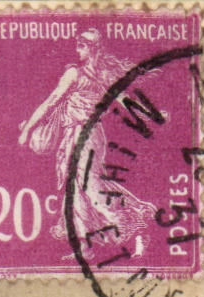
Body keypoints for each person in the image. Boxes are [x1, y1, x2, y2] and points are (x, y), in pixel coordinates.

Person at [17, 28, 156, 255]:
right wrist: (150, 115)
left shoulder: (79, 74)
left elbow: (50, 102)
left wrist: (27, 130)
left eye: (81, 46)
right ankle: (82, 245)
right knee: (73, 189)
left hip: (87, 135)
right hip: (77, 135)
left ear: (92, 49)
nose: (76, 50)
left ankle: (130, 221)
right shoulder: (97, 75)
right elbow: (127, 103)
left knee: (89, 186)